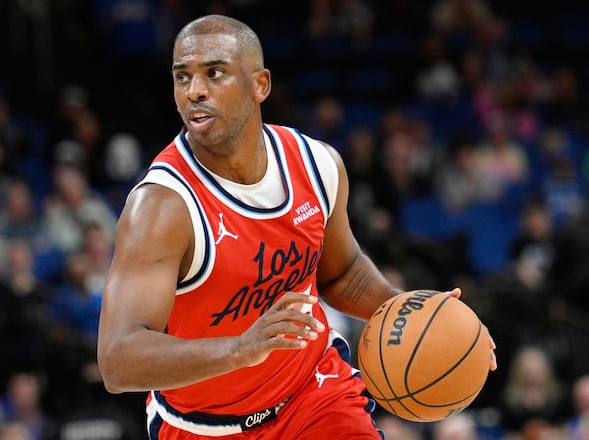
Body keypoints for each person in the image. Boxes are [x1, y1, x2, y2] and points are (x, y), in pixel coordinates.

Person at [97, 14, 497, 439]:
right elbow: (118, 360)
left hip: (314, 396)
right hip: (204, 426)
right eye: (182, 77)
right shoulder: (162, 208)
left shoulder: (316, 165)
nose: (195, 91)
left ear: (260, 85)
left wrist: (421, 317)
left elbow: (340, 272)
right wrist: (239, 349)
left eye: (215, 73)